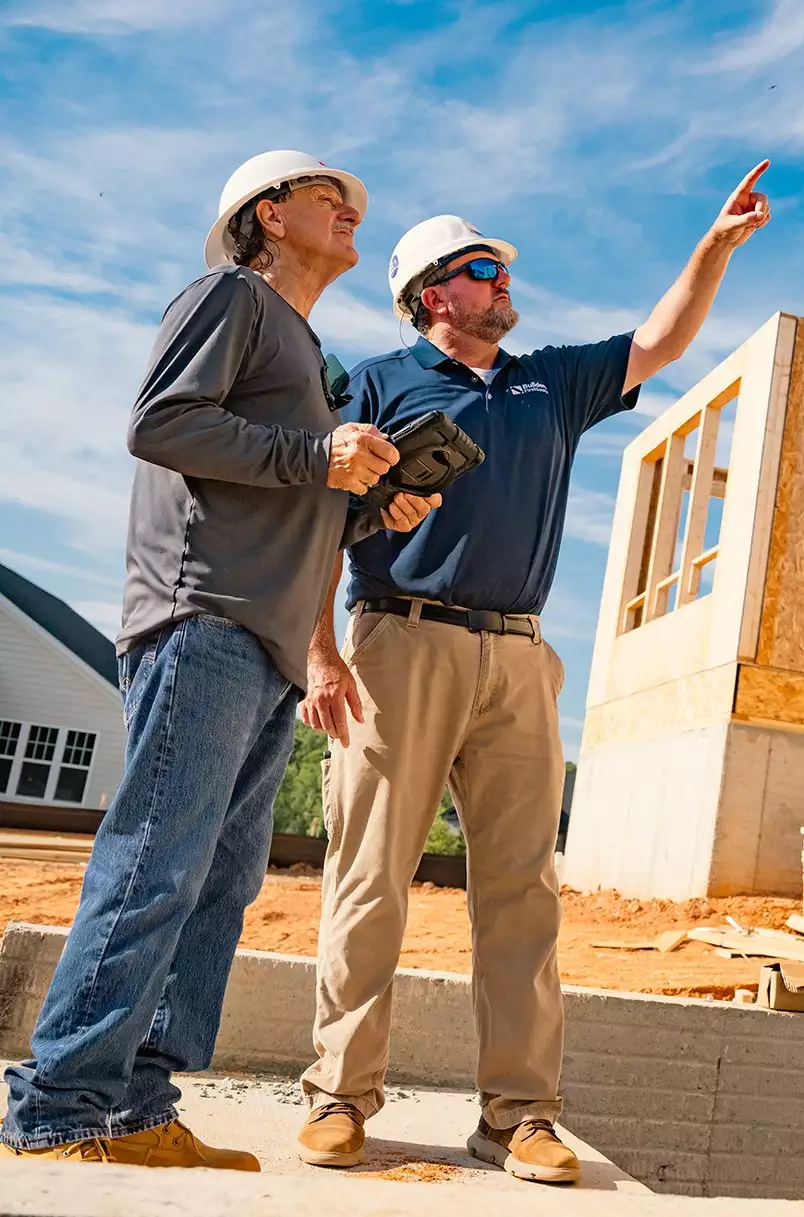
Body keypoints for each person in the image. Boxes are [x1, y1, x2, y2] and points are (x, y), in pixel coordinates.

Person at [296, 163, 771, 1183]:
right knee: (371, 875)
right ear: (435, 293)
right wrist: (319, 649)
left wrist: (714, 248)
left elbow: (661, 341)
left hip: (519, 653)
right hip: (397, 643)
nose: (502, 280)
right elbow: (315, 522)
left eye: (500, 266)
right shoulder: (373, 383)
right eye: (480, 268)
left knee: (523, 891)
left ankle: (519, 1116)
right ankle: (340, 1093)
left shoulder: (548, 380)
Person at [0, 150, 436, 1170]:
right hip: (203, 619)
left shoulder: (306, 348)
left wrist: (370, 501)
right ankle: (61, 1104)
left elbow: (287, 488)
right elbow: (162, 423)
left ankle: (136, 1102)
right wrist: (319, 457)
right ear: (270, 214)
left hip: (268, 647)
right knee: (155, 863)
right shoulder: (229, 296)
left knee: (212, 886)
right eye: (333, 200)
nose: (352, 215)